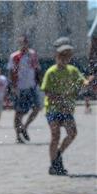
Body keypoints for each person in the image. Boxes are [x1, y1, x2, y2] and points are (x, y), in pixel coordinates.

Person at [40, 37, 94, 176]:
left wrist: (90, 80)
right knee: (55, 135)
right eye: (61, 55)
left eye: (67, 55)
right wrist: (61, 99)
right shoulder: (51, 72)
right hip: (53, 109)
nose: (64, 58)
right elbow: (46, 92)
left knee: (72, 133)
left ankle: (58, 154)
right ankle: (53, 165)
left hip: (67, 109)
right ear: (56, 56)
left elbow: (84, 83)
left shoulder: (73, 70)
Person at [7, 35, 42, 143]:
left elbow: (37, 70)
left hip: (32, 86)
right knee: (19, 113)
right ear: (19, 43)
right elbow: (11, 72)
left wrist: (40, 83)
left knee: (37, 108)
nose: (24, 44)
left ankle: (25, 127)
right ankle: (18, 136)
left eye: (26, 42)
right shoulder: (14, 56)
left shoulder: (33, 54)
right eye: (22, 42)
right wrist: (13, 87)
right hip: (20, 88)